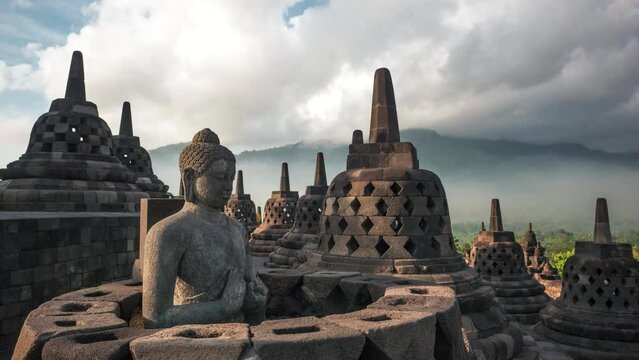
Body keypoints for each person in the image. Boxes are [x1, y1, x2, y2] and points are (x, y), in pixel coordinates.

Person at [143, 128, 267, 328]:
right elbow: (155, 318)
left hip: (243, 335)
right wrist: (223, 307)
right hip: (193, 343)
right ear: (190, 178)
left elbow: (249, 297)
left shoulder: (237, 230)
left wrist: (256, 303)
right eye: (219, 177)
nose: (228, 186)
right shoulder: (167, 232)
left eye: (231, 178)